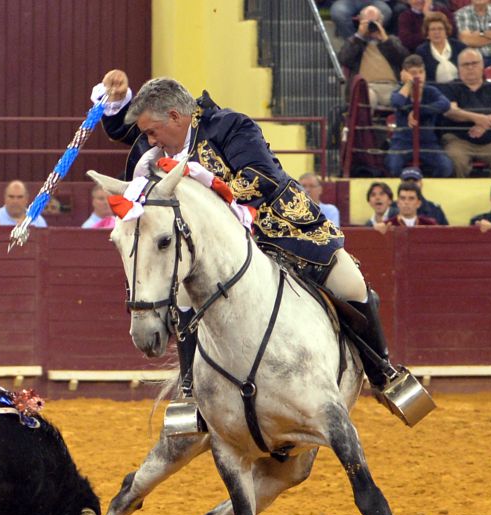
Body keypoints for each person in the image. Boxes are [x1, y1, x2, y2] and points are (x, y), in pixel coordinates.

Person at [97, 70, 415, 419]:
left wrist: (209, 189)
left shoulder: (229, 126)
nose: (148, 142)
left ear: (174, 116)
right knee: (185, 292)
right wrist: (118, 97)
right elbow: (122, 129)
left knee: (350, 283)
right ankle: (189, 392)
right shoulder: (161, 138)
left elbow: (259, 177)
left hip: (279, 225)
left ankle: (384, 375)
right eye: (146, 135)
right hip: (220, 248)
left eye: (152, 132)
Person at [437, 47, 491, 176]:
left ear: (482, 65)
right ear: (459, 68)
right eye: (466, 64)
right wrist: (478, 118)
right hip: (459, 141)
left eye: (474, 63)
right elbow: (452, 111)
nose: (470, 67)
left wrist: (486, 123)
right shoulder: (451, 87)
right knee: (455, 159)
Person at [385, 54, 455, 177]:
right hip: (402, 142)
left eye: (421, 72)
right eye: (413, 73)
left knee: (446, 167)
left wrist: (418, 110)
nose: (418, 76)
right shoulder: (399, 92)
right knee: (393, 165)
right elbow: (397, 102)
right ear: (405, 75)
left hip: (428, 142)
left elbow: (445, 104)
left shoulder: (431, 91)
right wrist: (408, 84)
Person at [338, 5, 409, 109]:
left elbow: (404, 60)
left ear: (381, 22)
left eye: (375, 22)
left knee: (402, 99)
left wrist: (385, 40)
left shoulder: (391, 41)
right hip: (366, 87)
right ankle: (366, 125)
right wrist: (359, 36)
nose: (372, 26)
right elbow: (344, 59)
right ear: (360, 21)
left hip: (392, 87)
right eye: (368, 22)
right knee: (367, 97)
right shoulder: (355, 42)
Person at [415, 11, 467, 83]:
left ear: (446, 31)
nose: (436, 32)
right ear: (428, 33)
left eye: (440, 29)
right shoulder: (421, 52)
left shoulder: (459, 47)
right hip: (435, 91)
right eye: (433, 29)